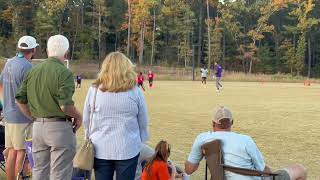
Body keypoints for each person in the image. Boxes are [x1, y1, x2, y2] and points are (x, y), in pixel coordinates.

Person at [15, 35, 82, 180]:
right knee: (60, 173)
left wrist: (33, 117)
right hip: (59, 128)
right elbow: (65, 105)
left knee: (39, 171)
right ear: (66, 53)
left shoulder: (33, 71)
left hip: (38, 127)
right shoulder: (65, 73)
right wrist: (78, 116)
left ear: (46, 51)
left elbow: (19, 99)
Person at [185, 106, 307, 180]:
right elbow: (264, 170)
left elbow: (189, 170)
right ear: (232, 122)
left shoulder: (202, 139)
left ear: (213, 123)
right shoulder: (245, 140)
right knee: (300, 170)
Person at [83, 52, 149, 180]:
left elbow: (87, 119)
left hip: (101, 147)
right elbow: (143, 121)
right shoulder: (136, 92)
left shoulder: (94, 90)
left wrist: (88, 135)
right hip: (128, 147)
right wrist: (140, 140)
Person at [0, 36, 38, 180]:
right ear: (33, 50)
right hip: (22, 116)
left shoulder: (9, 63)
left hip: (8, 115)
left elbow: (0, 85)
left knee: (10, 151)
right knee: (21, 152)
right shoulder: (28, 67)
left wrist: (5, 105)